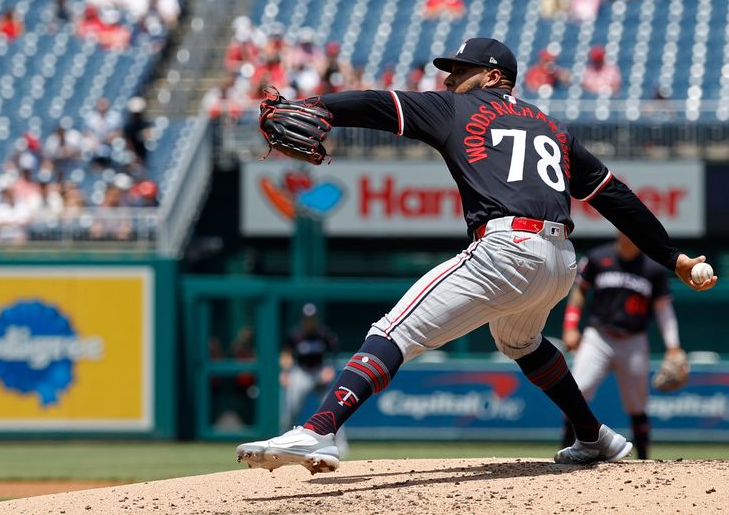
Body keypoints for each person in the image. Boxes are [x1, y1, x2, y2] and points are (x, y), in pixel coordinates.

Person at [236, 37, 716, 474]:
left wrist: (316, 105)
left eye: (459, 70)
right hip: (559, 260)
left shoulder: (456, 108)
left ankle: (319, 430)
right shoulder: (552, 127)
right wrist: (674, 258)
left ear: (492, 77)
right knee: (521, 343)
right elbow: (615, 196)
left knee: (392, 331)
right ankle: (594, 437)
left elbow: (381, 105)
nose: (448, 79)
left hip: (507, 248)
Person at [561, 231, 681, 459]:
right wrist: (570, 325)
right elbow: (579, 291)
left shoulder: (653, 268)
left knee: (637, 405)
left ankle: (644, 459)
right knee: (577, 391)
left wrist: (673, 346)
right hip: (598, 337)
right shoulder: (598, 257)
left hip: (634, 340)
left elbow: (663, 309)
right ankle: (566, 450)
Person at [279, 303, 348, 455]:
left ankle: (341, 446)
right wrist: (285, 371)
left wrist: (329, 368)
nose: (309, 321)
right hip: (301, 372)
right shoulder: (296, 335)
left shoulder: (323, 334)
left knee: (333, 408)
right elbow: (286, 353)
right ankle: (283, 443)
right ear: (303, 319)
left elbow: (335, 352)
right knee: (291, 409)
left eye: (312, 318)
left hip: (318, 371)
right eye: (307, 318)